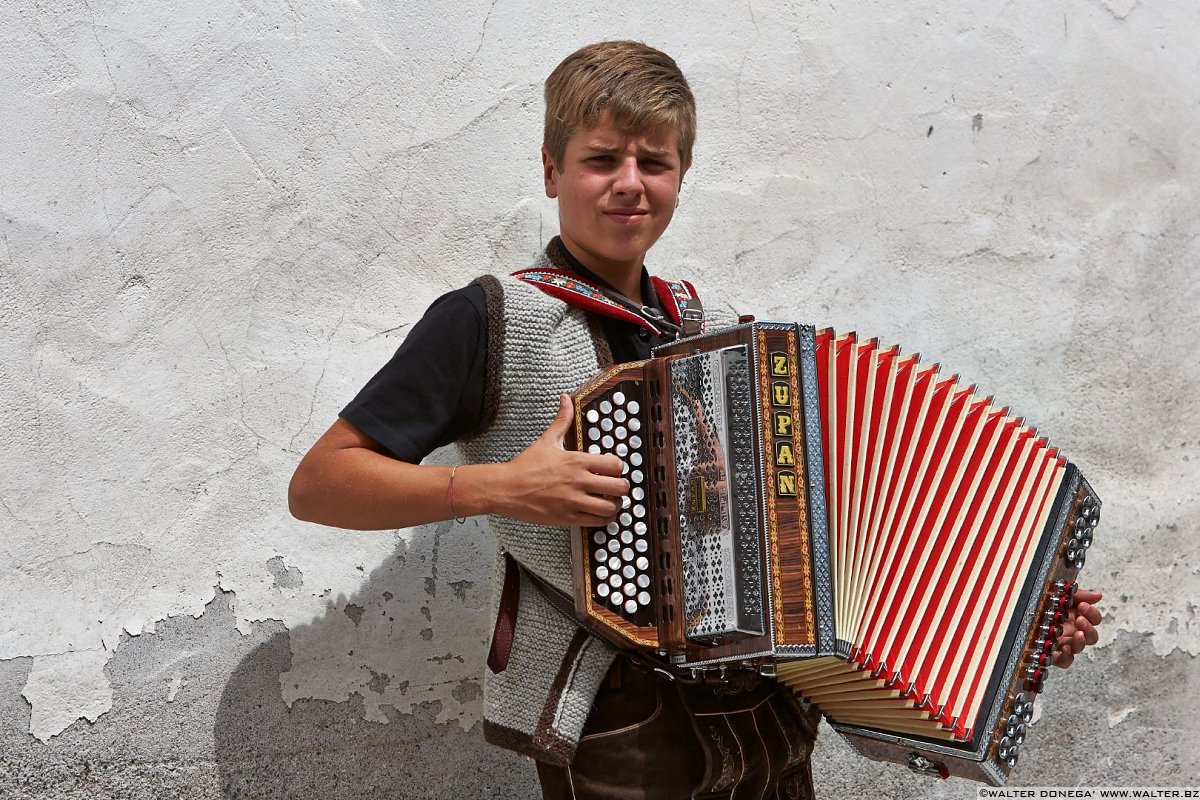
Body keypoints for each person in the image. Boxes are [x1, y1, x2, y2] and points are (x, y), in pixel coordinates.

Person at [288, 40, 1103, 799]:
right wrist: (501, 487)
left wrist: (1018, 621)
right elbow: (321, 484)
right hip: (616, 726)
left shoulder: (720, 329)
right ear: (550, 171)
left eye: (655, 161)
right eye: (601, 159)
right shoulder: (488, 320)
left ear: (681, 175)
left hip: (774, 721)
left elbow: (857, 525)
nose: (629, 182)